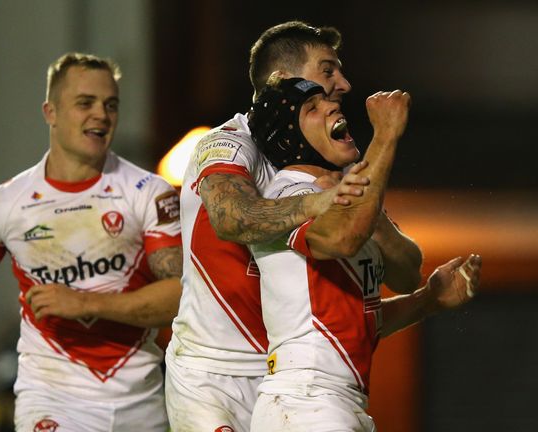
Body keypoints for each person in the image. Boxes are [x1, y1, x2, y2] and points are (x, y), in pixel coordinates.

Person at [165, 21, 422, 432]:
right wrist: (322, 201)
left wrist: (428, 298)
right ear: (282, 80)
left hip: (284, 374)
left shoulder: (330, 167)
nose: (344, 83)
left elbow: (360, 301)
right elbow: (233, 218)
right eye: (327, 71)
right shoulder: (230, 142)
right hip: (215, 375)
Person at [0, 52, 182, 431]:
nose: (101, 114)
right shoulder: (3, 203)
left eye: (110, 104)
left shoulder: (150, 193)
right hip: (53, 400)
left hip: (141, 401)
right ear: (50, 112)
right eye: (85, 103)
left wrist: (83, 302)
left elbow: (180, 295)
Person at [247, 76, 482, 431]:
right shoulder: (284, 195)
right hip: (304, 402)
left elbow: (405, 272)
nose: (332, 105)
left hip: (335, 401)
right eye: (313, 108)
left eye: (327, 100)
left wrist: (427, 299)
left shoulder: (347, 197)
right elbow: (343, 237)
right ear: (288, 139)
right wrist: (385, 136)